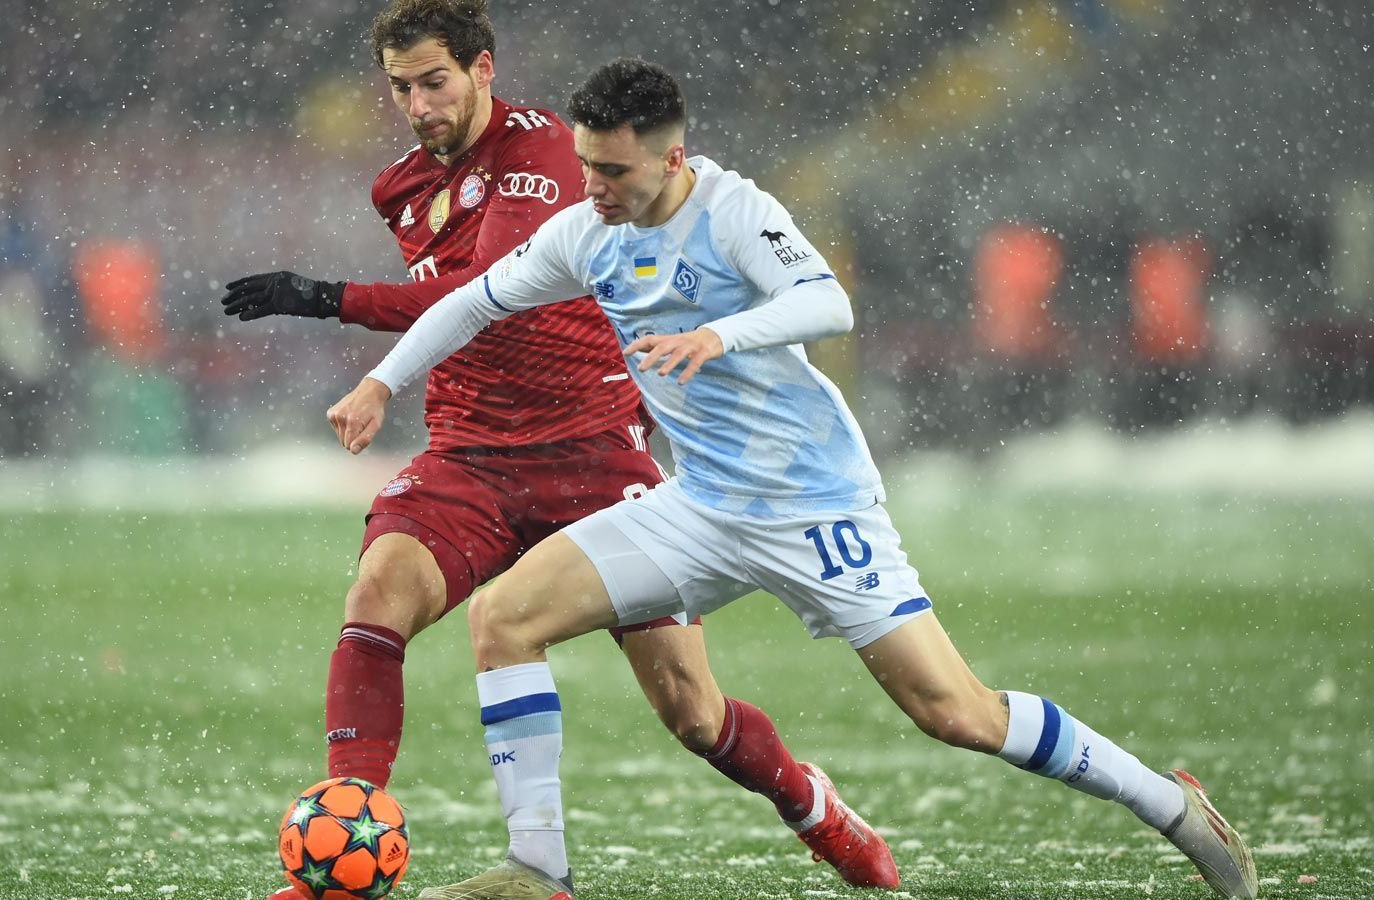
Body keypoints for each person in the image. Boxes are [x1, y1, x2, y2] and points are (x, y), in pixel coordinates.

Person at [327, 58, 1261, 900]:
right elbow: (471, 303)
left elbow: (827, 302)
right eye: (586, 165)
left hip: (813, 505)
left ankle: (1172, 807)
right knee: (505, 619)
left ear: (671, 157)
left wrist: (717, 334)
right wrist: (379, 383)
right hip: (699, 505)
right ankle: (539, 873)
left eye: (613, 170)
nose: (594, 187)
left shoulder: (732, 210)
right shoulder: (585, 232)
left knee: (956, 713)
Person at [220, 3, 896, 897]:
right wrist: (386, 378)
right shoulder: (398, 187)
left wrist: (326, 296)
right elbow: (451, 313)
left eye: (436, 81)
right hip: (469, 454)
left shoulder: (542, 153)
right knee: (378, 595)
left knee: (691, 712)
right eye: (400, 88)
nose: (419, 105)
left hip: (593, 457)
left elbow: (477, 290)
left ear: (483, 70)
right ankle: (345, 846)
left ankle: (815, 808)